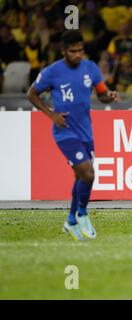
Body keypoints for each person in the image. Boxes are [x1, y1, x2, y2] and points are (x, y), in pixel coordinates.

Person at [26, 30, 120, 241]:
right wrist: (51, 115)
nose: (78, 55)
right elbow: (31, 94)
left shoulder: (91, 68)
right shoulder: (52, 72)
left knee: (80, 177)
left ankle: (70, 221)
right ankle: (83, 214)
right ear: (63, 51)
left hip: (86, 131)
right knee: (88, 174)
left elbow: (102, 94)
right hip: (65, 131)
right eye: (73, 51)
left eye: (80, 50)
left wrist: (110, 96)